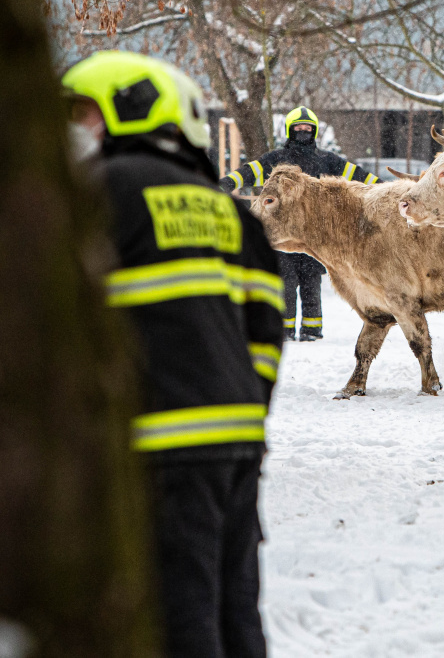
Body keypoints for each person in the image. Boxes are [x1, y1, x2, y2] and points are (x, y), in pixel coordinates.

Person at [63, 51, 284, 658]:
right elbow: (265, 337)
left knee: (178, 613)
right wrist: (241, 413)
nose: (72, 135)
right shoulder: (235, 216)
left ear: (129, 112)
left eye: (82, 117)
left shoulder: (101, 194)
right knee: (233, 606)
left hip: (159, 444)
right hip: (235, 444)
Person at [219, 106, 379, 342]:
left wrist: (387, 188)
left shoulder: (327, 160)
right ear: (289, 131)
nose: (303, 132)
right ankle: (284, 331)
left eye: (307, 128)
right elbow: (248, 171)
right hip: (282, 236)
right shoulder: (275, 160)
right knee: (286, 282)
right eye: (298, 128)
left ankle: (312, 330)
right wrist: (224, 184)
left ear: (313, 131)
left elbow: (358, 174)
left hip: (315, 236)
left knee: (311, 284)